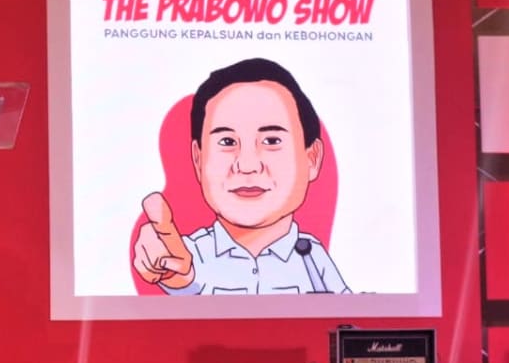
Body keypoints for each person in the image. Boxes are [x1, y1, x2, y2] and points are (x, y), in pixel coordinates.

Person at [132, 58, 349, 295]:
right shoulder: (190, 254)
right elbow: (185, 277)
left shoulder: (312, 255)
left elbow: (348, 311)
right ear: (198, 159)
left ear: (312, 158)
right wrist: (175, 275)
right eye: (227, 142)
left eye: (271, 141)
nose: (247, 166)